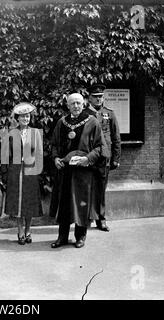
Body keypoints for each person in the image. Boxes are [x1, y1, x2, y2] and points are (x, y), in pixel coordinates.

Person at [50, 93, 108, 248]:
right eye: (72, 103)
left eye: (78, 103)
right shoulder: (62, 123)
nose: (76, 106)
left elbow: (100, 147)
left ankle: (80, 237)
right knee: (64, 204)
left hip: (83, 171)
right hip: (65, 171)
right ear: (67, 105)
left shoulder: (92, 122)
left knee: (81, 204)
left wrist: (88, 158)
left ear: (83, 104)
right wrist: (56, 158)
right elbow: (54, 144)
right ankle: (62, 237)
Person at [1, 102, 43, 245]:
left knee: (29, 201)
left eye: (28, 116)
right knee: (18, 202)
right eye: (23, 116)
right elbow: (6, 154)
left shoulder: (36, 132)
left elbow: (39, 153)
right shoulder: (11, 133)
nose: (26, 119)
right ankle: (19, 230)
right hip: (16, 170)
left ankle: (28, 230)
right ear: (17, 118)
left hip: (31, 170)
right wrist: (5, 172)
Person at [85, 84, 121, 231]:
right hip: (87, 156)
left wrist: (116, 158)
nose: (98, 99)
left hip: (104, 157)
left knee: (100, 189)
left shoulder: (109, 114)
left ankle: (101, 219)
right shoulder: (84, 113)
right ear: (89, 98)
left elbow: (116, 136)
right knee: (86, 188)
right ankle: (86, 219)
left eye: (100, 96)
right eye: (95, 97)